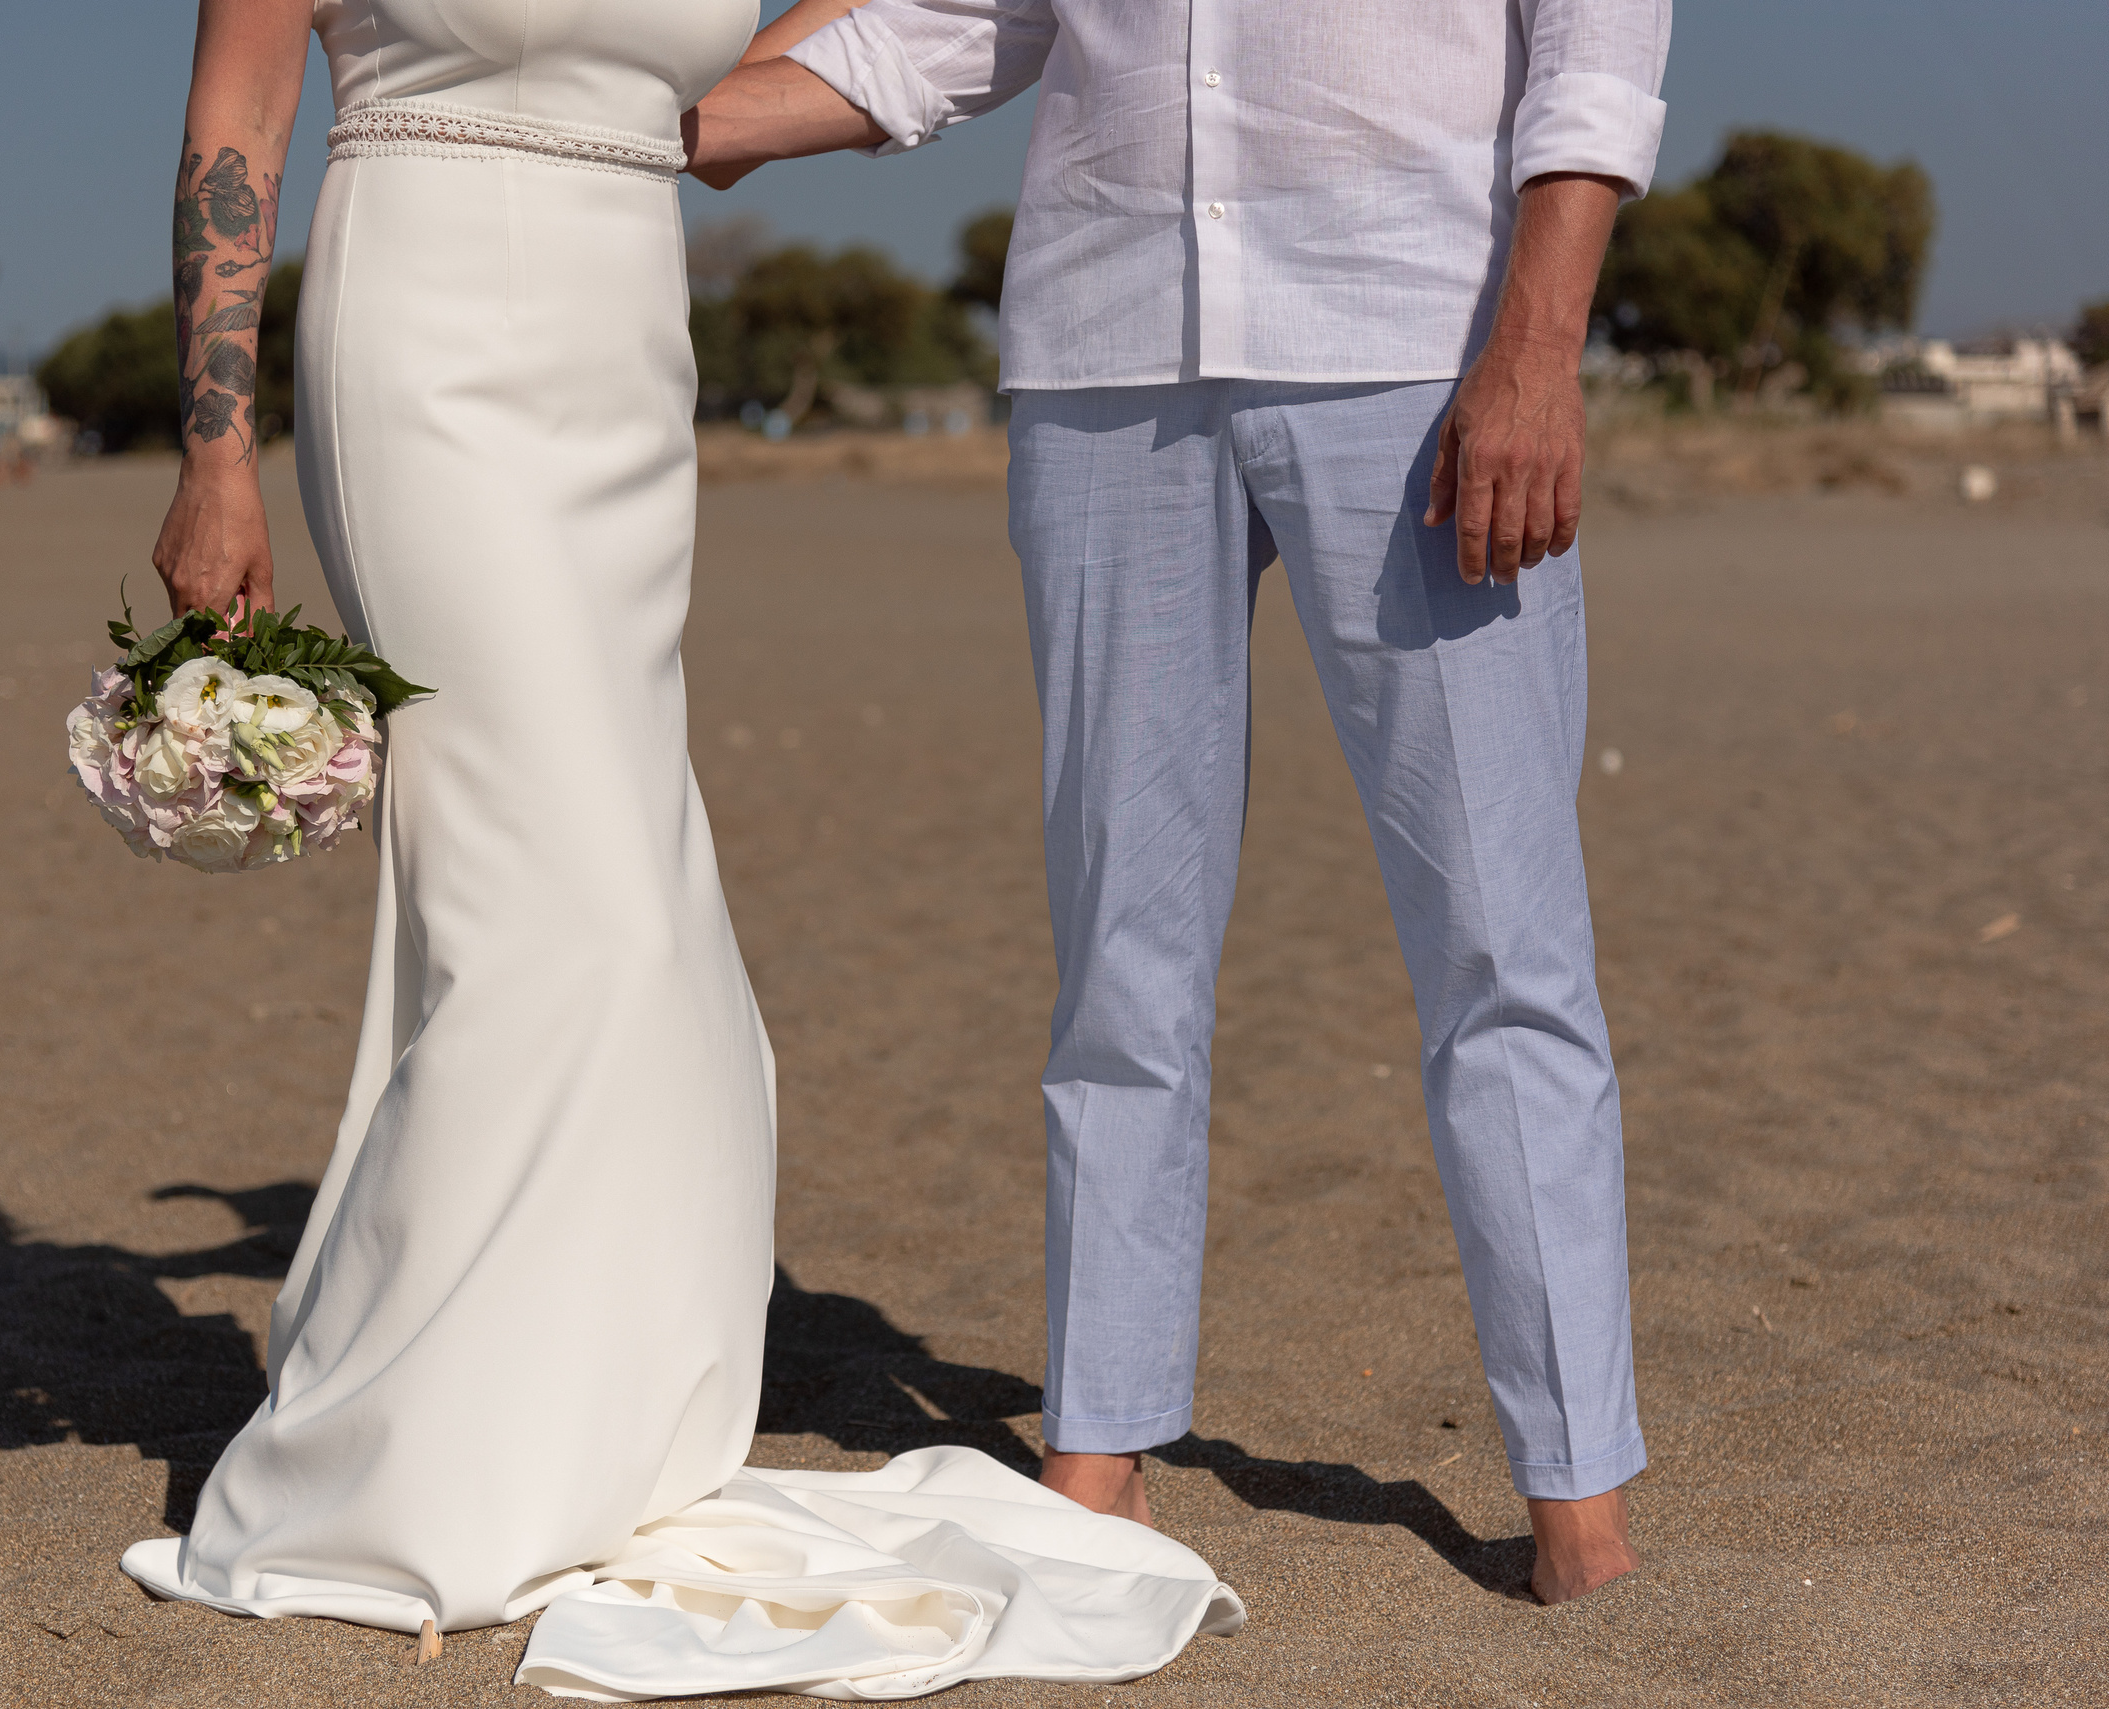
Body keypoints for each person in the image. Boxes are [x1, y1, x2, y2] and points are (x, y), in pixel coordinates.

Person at [117, 2, 1240, 1698]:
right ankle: (433, 1460)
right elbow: (235, 126)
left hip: (629, 351)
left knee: (632, 885)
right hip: (424, 337)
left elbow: (849, 39)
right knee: (563, 911)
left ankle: (588, 1438)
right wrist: (218, 451)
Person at [688, 0, 1669, 1604]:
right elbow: (963, 24)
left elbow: (1594, 43)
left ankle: (1577, 1495)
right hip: (1107, 361)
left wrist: (1539, 348)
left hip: (1418, 348)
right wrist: (664, 124)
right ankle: (1097, 1445)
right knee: (1120, 950)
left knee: (1503, 945)